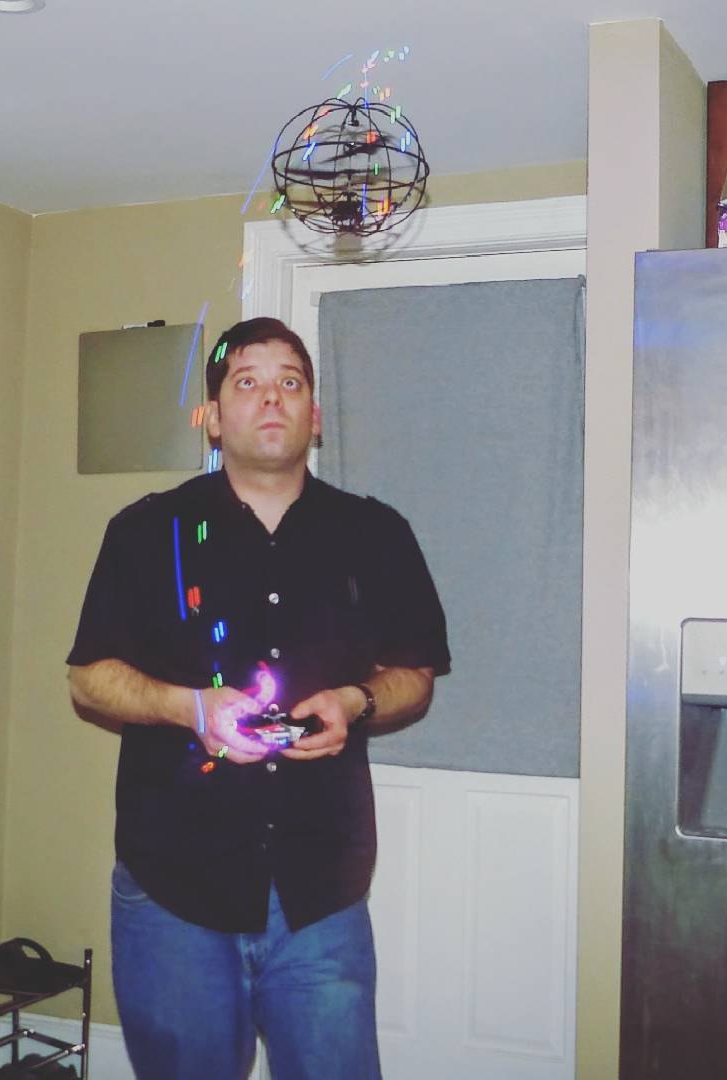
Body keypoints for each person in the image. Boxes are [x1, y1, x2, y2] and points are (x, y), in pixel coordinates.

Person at [67, 316, 450, 1080]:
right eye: (247, 381)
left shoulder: (377, 533)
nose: (271, 397)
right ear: (212, 417)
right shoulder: (146, 532)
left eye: (289, 382)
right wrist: (189, 708)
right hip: (173, 892)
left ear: (315, 414)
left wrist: (356, 700)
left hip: (322, 896)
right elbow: (88, 677)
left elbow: (416, 671)